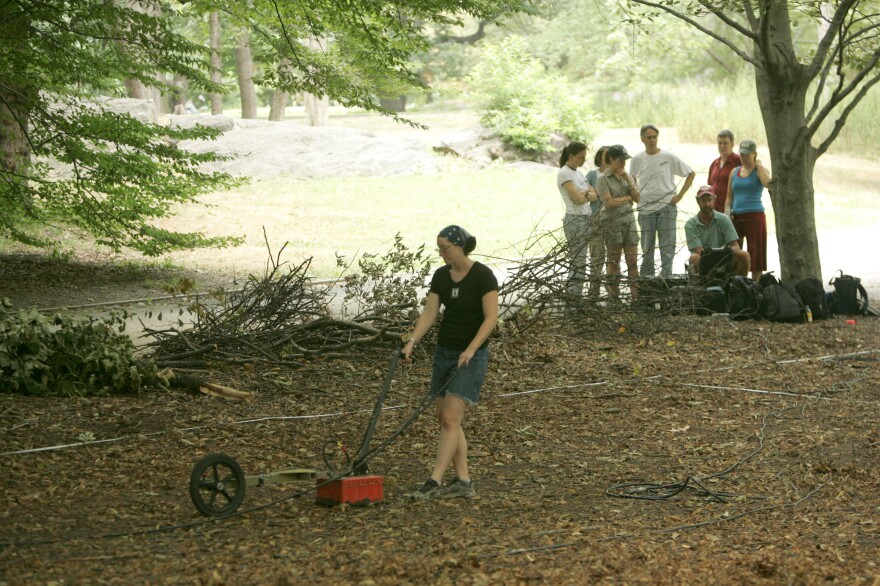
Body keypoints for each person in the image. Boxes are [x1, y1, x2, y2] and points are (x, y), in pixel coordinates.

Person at [402, 225, 499, 501]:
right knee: (446, 420)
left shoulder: (482, 276)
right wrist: (412, 341)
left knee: (449, 419)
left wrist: (471, 349)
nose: (442, 253)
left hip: (471, 356)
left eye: (445, 247)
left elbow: (491, 318)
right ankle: (464, 481)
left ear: (459, 246)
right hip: (445, 352)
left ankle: (433, 480)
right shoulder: (441, 277)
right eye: (439, 248)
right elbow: (430, 313)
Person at [629, 124, 695, 278]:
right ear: (642, 139)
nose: (652, 140)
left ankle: (666, 278)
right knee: (647, 247)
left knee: (667, 246)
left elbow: (690, 173)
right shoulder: (637, 159)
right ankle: (647, 281)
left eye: (654, 137)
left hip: (667, 206)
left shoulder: (668, 156)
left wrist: (680, 196)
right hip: (645, 208)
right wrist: (636, 195)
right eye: (648, 137)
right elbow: (631, 180)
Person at [596, 145, 640, 301]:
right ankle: (614, 297)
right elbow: (609, 203)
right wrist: (626, 198)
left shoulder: (628, 177)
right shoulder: (602, 179)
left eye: (625, 160)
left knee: (632, 260)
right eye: (620, 160)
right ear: (611, 159)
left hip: (629, 221)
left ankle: (636, 297)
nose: (623, 164)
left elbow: (637, 198)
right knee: (614, 260)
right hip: (612, 222)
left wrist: (628, 181)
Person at [725, 139, 772, 282]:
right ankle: (738, 284)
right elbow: (729, 197)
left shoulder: (760, 171)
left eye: (747, 155)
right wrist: (726, 214)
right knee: (734, 253)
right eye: (741, 155)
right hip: (736, 216)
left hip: (755, 215)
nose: (744, 158)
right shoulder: (734, 172)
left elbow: (767, 183)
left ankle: (755, 286)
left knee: (755, 254)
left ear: (754, 154)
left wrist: (760, 166)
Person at [557, 141, 598, 298]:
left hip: (586, 217)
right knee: (578, 261)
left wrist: (586, 195)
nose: (583, 161)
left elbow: (594, 195)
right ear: (571, 156)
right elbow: (576, 199)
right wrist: (586, 194)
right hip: (575, 219)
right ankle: (573, 297)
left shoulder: (579, 173)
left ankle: (576, 296)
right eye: (581, 157)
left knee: (582, 261)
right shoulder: (564, 173)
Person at [684, 186, 750, 279]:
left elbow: (736, 247)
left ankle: (738, 286)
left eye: (709, 200)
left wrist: (725, 251)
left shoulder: (724, 219)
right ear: (698, 201)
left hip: (725, 260)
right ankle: (701, 286)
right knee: (694, 258)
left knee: (744, 255)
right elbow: (698, 252)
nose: (707, 204)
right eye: (703, 201)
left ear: (714, 200)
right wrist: (720, 253)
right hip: (704, 262)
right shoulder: (690, 224)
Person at [585, 146, 609, 300]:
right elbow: (587, 194)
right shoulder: (592, 175)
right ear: (599, 158)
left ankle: (613, 292)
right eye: (606, 156)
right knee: (596, 255)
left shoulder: (614, 174)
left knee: (613, 256)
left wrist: (598, 193)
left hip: (613, 217)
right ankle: (593, 292)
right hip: (595, 218)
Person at [707, 129, 741, 213]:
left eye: (725, 143)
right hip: (714, 211)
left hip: (733, 210)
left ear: (732, 144)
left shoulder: (739, 161)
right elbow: (711, 185)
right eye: (720, 143)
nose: (722, 146)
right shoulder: (714, 164)